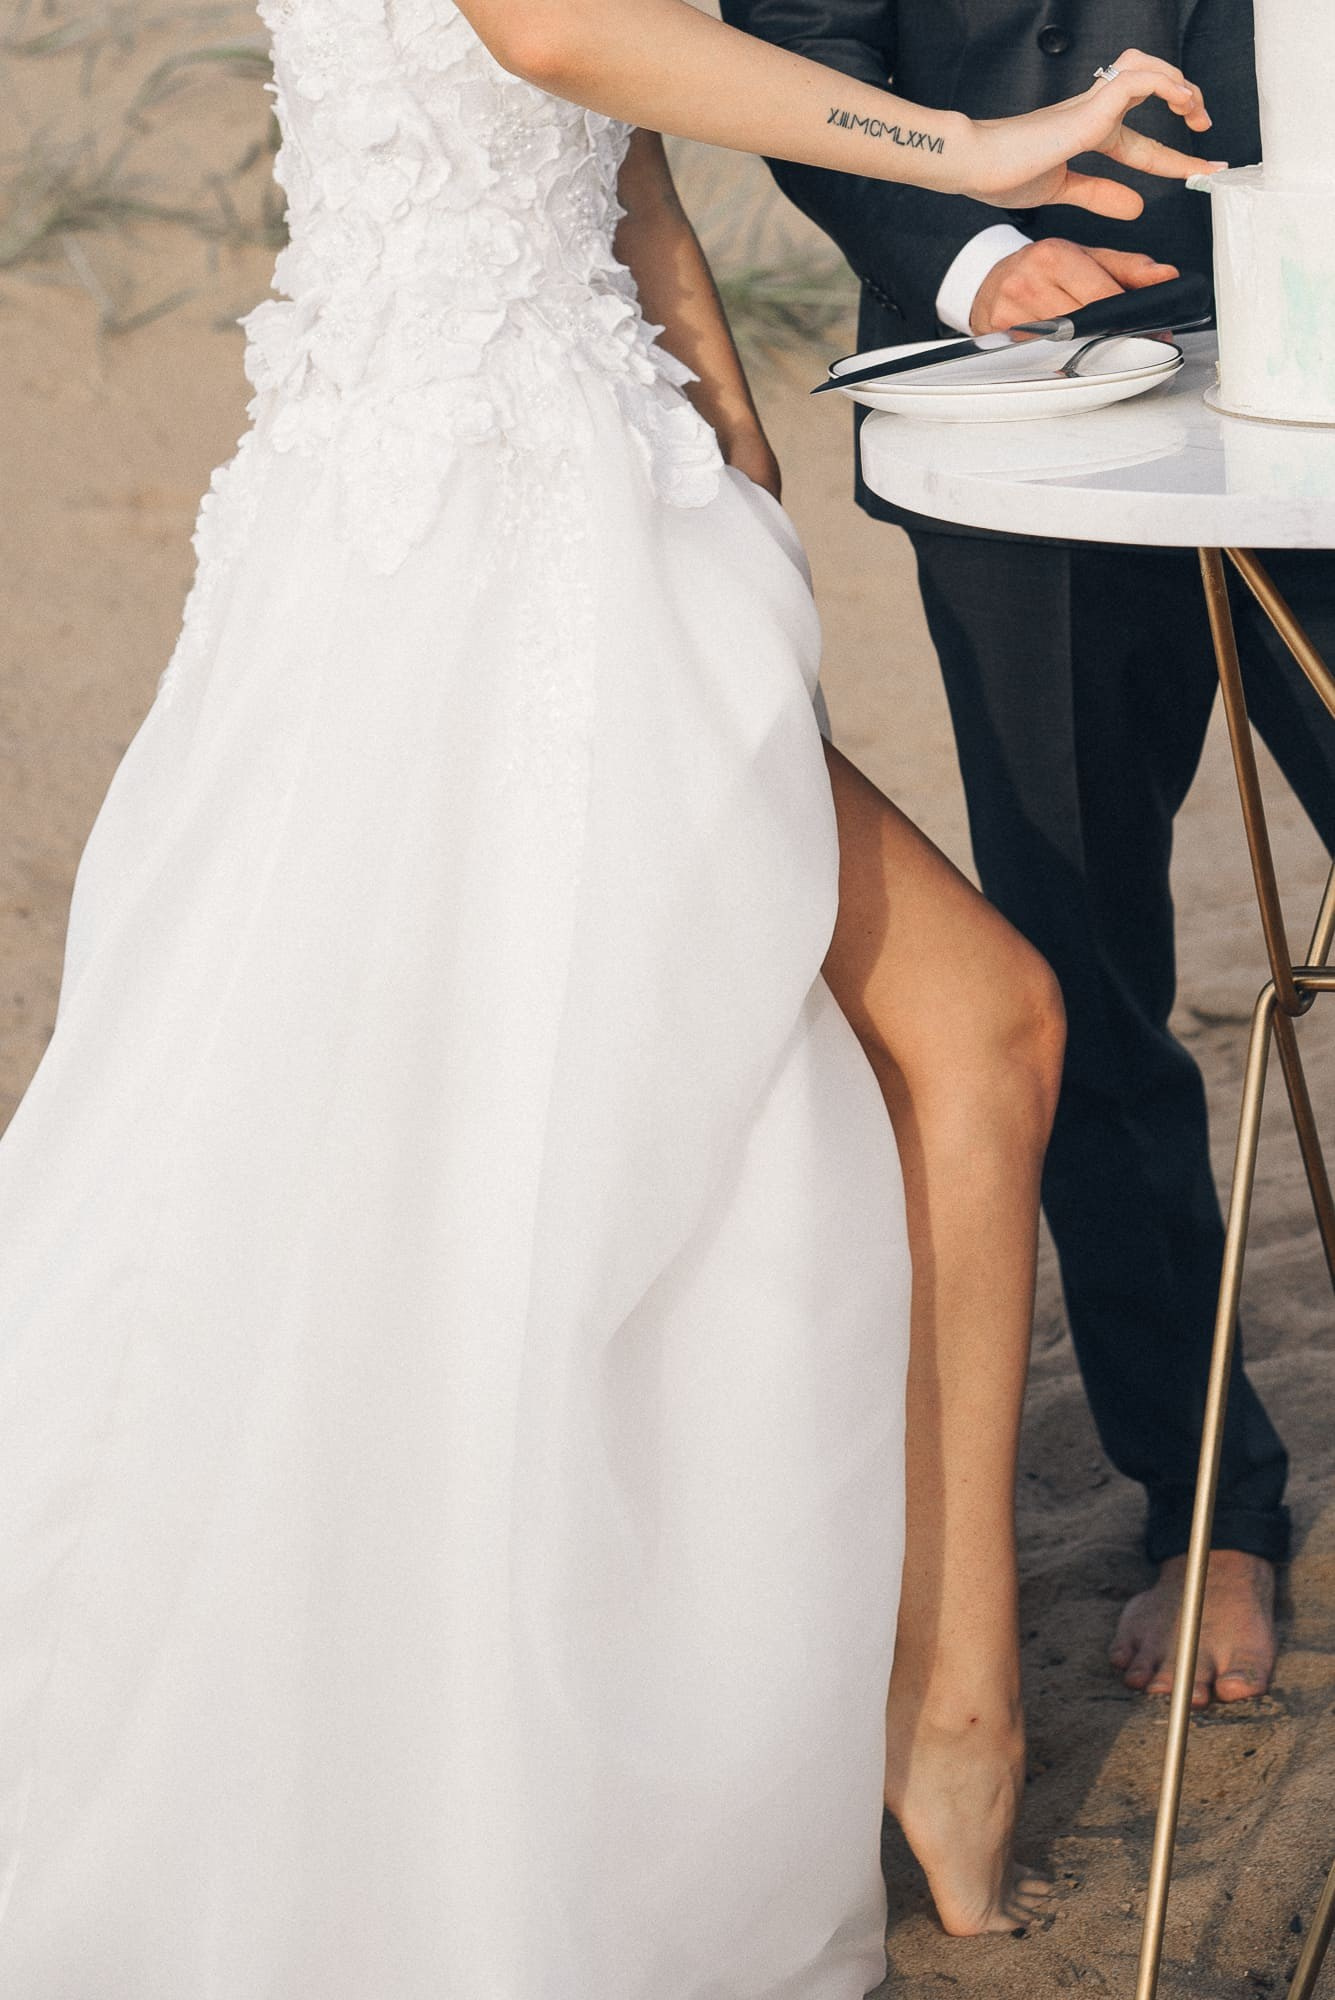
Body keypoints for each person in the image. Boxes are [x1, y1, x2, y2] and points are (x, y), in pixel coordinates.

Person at [0, 1, 1214, 1989]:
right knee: (877, 1054)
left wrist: (728, 448)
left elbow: (609, 142)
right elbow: (560, 30)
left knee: (891, 1050)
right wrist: (977, 152)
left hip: (564, 482)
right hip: (474, 533)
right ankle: (921, 1724)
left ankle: (936, 1712)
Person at [723, 0, 1335, 1712]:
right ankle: (1203, 1496)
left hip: (1327, 319)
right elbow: (796, 37)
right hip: (1022, 387)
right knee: (1082, 977)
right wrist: (974, 256)